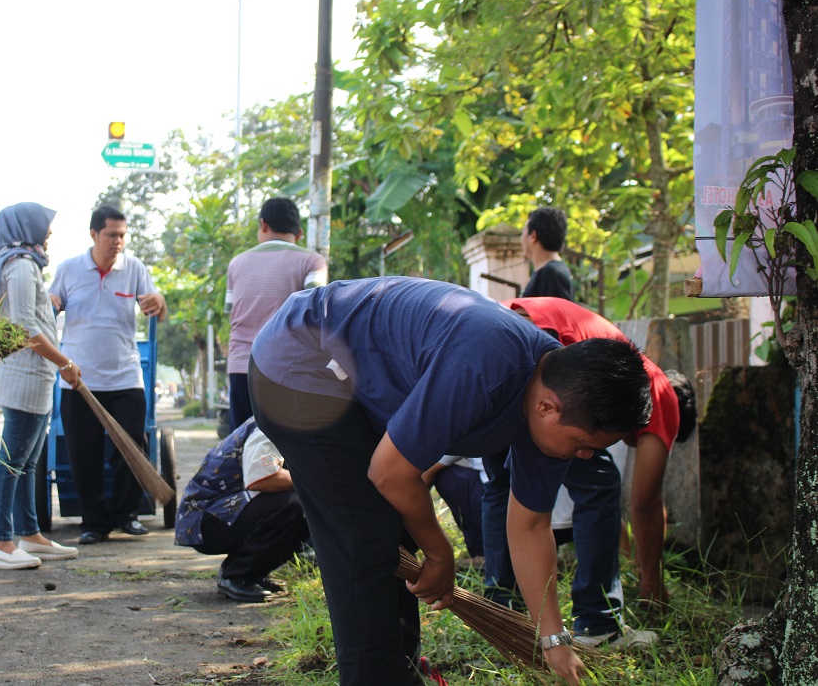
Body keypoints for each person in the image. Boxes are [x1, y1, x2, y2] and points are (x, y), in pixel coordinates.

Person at [248, 277, 652, 686]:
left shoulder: (551, 402)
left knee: (390, 528)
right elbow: (390, 472)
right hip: (297, 361)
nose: (585, 457)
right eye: (584, 445)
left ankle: (401, 669)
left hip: (346, 378)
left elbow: (529, 526)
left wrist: (554, 639)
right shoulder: (487, 360)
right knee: (364, 536)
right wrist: (440, 555)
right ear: (548, 407)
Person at [478, 297, 697, 648]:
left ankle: (504, 615)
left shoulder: (633, 371)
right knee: (599, 483)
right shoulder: (661, 394)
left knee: (503, 484)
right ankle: (599, 624)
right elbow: (645, 502)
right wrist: (652, 583)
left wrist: (627, 554)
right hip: (546, 348)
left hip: (499, 338)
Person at [49, 204, 168, 545]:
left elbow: (158, 307)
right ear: (94, 234)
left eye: (122, 235)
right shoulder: (69, 269)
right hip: (78, 379)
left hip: (125, 377)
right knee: (83, 453)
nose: (118, 241)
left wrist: (158, 300)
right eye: (112, 235)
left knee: (130, 449)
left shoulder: (134, 269)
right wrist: (52, 301)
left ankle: (126, 516)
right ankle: (94, 524)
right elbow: (51, 305)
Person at [0, 202, 82, 570]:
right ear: (28, 226)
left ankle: (30, 534)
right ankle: (1, 543)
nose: (50, 233)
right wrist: (65, 363)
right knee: (13, 463)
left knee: (28, 463)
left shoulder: (27, 263)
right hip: (25, 378)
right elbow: (25, 327)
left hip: (37, 379)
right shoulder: (21, 266)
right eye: (46, 226)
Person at [174, 418, 308, 602]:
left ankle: (253, 573)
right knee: (294, 505)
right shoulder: (272, 424)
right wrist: (312, 480)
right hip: (205, 521)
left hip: (225, 512)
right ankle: (237, 575)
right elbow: (262, 478)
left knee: (305, 506)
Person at [224, 197, 327, 430]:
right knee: (287, 451)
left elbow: (230, 312)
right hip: (288, 369)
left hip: (242, 367)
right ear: (299, 233)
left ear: (263, 225)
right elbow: (316, 313)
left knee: (241, 445)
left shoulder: (236, 263)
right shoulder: (312, 261)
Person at [520, 207, 573, 300]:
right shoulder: (550, 270)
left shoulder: (551, 274)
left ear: (533, 236)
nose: (521, 238)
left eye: (523, 231)